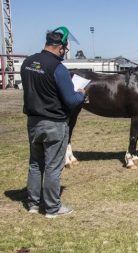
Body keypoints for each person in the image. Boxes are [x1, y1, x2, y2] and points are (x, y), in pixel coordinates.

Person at [20, 26, 86, 218]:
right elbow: (72, 101)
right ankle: (52, 208)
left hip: (33, 121)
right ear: (61, 47)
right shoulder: (58, 68)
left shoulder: (27, 62)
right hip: (54, 123)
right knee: (52, 166)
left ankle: (33, 204)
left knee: (35, 164)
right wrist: (81, 94)